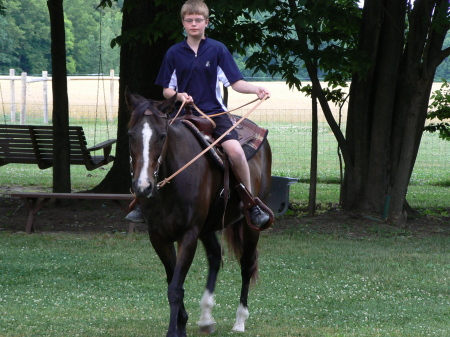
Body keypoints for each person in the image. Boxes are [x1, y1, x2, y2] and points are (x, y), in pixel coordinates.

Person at [126, 0, 270, 228]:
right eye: (189, 20)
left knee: (235, 152)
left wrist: (256, 89)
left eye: (198, 20)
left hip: (215, 114)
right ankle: (141, 203)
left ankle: (250, 204)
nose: (194, 24)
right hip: (181, 114)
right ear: (183, 23)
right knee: (151, 146)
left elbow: (235, 83)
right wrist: (180, 96)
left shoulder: (217, 49)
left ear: (206, 22)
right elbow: (166, 89)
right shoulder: (174, 52)